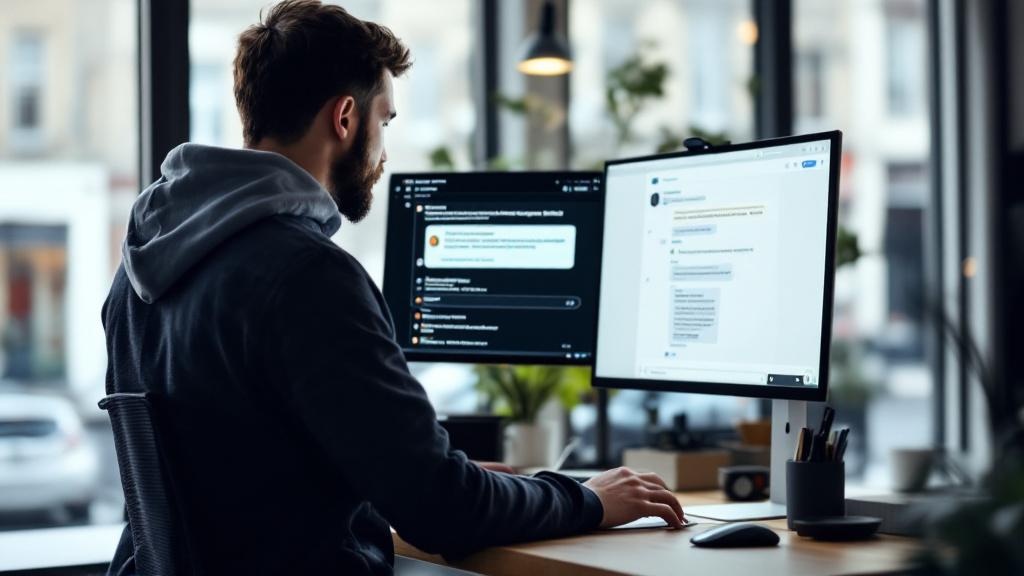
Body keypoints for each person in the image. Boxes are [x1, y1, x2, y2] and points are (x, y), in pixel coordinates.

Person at [102, 1, 684, 573]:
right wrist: (589, 499)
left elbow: (243, 481)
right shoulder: (307, 275)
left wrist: (432, 473)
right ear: (345, 118)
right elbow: (442, 512)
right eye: (385, 120)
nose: (383, 149)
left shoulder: (139, 274)